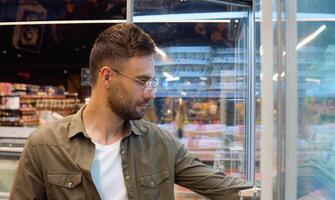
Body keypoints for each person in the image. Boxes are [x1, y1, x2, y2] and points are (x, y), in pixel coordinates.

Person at [10, 23, 253, 200]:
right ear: (107, 77)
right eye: (141, 81)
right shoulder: (44, 146)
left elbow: (224, 187)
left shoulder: (160, 143)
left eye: (152, 82)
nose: (151, 93)